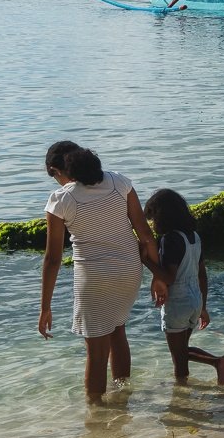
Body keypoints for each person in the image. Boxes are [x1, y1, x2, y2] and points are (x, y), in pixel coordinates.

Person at [38, 142, 167, 403]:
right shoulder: (119, 183)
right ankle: (122, 398)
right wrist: (158, 275)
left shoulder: (61, 199)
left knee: (96, 353)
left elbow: (52, 259)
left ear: (56, 170)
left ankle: (96, 416)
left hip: (94, 278)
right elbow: (145, 235)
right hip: (129, 271)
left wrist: (45, 307)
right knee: (118, 330)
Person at [142, 188, 224, 385]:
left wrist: (146, 261)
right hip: (195, 298)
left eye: (153, 219)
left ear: (162, 216)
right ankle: (189, 387)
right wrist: (203, 307)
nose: (153, 225)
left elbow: (169, 277)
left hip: (178, 300)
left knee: (178, 356)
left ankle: (213, 366)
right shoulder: (194, 237)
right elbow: (202, 275)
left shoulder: (169, 239)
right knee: (182, 349)